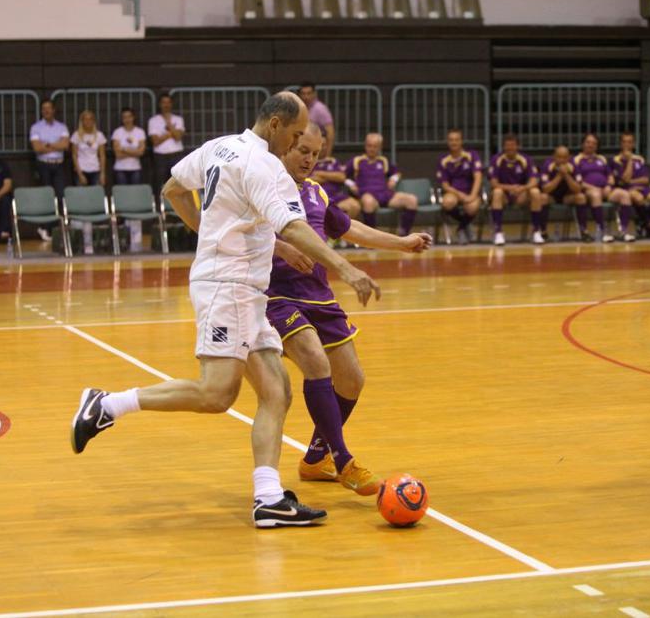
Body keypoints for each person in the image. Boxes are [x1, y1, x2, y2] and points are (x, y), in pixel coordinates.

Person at [69, 92, 381, 528]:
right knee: (217, 394)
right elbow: (293, 227)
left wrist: (212, 235)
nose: (296, 145)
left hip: (244, 290)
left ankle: (268, 499)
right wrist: (346, 269)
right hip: (229, 288)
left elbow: (173, 189)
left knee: (276, 390)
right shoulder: (264, 165)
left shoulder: (219, 147)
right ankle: (107, 405)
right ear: (275, 125)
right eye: (295, 136)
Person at [267, 122, 431, 496]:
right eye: (303, 151)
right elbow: (240, 229)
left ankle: (315, 458)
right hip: (276, 295)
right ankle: (343, 460)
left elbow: (350, 228)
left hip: (319, 295)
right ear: (286, 145)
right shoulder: (264, 186)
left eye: (315, 153)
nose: (309, 159)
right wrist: (279, 248)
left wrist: (401, 243)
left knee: (352, 379)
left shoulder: (316, 192)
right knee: (315, 361)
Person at [345, 133, 418, 236]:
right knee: (368, 202)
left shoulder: (383, 161)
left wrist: (393, 179)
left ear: (380, 147)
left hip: (385, 194)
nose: (371, 149)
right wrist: (351, 184)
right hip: (368, 195)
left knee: (412, 200)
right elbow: (342, 175)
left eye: (375, 146)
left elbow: (397, 173)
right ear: (365, 146)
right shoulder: (357, 161)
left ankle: (403, 234)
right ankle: (372, 237)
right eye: (369, 146)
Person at [610, 131, 650, 242]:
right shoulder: (615, 160)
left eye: (630, 142)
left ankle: (642, 220)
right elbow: (624, 180)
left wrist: (633, 182)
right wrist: (630, 160)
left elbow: (646, 179)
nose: (627, 145)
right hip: (627, 190)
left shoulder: (640, 159)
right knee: (638, 198)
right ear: (621, 144)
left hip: (642, 188)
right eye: (624, 142)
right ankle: (646, 224)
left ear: (633, 144)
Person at [488, 134, 543, 245]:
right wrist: (509, 187)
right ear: (503, 147)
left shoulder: (525, 159)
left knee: (535, 192)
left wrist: (523, 188)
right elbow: (493, 183)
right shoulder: (496, 159)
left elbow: (534, 180)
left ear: (518, 146)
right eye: (507, 145)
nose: (510, 148)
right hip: (504, 195)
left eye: (513, 145)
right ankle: (498, 232)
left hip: (520, 194)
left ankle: (536, 231)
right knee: (497, 192)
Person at [30, 99, 70, 241]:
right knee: (47, 197)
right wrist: (55, 145)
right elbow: (37, 148)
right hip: (43, 165)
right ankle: (45, 228)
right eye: (44, 108)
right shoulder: (36, 127)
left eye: (49, 108)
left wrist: (47, 145)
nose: (46, 111)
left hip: (59, 164)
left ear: (54, 110)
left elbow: (65, 145)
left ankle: (58, 228)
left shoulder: (62, 127)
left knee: (60, 195)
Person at [435, 129, 482, 244]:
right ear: (448, 142)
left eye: (456, 140)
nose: (454, 142)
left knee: (472, 207)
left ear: (461, 141)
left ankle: (461, 228)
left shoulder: (472, 155)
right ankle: (465, 224)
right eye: (451, 140)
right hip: (453, 192)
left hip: (470, 191)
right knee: (447, 203)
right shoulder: (443, 160)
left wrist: (472, 195)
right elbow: (445, 185)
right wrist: (459, 194)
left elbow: (478, 177)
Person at [572, 133, 619, 243]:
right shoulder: (576, 160)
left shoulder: (601, 159)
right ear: (582, 144)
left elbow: (610, 176)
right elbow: (578, 181)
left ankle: (624, 231)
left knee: (624, 195)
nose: (591, 145)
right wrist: (593, 188)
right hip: (587, 191)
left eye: (594, 143)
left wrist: (608, 186)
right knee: (596, 194)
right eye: (588, 142)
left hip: (605, 190)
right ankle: (602, 230)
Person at [310, 129, 358, 219]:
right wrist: (332, 177)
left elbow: (342, 177)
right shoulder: (310, 161)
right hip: (317, 198)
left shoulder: (333, 161)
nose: (323, 147)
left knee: (355, 206)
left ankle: (343, 228)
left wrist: (321, 174)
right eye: (321, 145)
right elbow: (310, 180)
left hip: (336, 197)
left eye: (325, 145)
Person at [539, 146, 585, 238]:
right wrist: (559, 175)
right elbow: (545, 189)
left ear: (569, 157)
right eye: (559, 157)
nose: (562, 160)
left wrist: (566, 175)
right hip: (551, 197)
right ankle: (543, 231)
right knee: (543, 197)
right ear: (554, 156)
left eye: (565, 157)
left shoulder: (573, 166)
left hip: (566, 197)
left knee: (581, 197)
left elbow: (578, 189)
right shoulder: (547, 165)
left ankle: (583, 231)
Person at [148, 93, 185, 197]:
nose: (166, 105)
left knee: (177, 181)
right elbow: (155, 141)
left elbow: (178, 137)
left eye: (168, 102)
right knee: (159, 182)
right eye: (164, 103)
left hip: (176, 154)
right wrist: (170, 134)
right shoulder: (153, 120)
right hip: (160, 155)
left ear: (171, 104)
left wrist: (169, 125)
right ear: (160, 104)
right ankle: (158, 204)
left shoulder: (178, 119)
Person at [70, 110, 107, 188]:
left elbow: (102, 156)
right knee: (81, 194)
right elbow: (74, 155)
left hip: (95, 170)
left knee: (96, 194)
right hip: (81, 169)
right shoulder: (76, 135)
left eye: (90, 119)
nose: (88, 121)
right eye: (85, 119)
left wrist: (102, 174)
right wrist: (80, 174)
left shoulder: (99, 135)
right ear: (82, 121)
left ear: (94, 121)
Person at [299, 81, 336, 157]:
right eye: (303, 93)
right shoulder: (299, 108)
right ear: (299, 94)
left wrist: (327, 155)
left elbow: (330, 133)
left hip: (316, 149)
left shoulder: (320, 109)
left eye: (309, 93)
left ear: (314, 94)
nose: (306, 96)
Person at [111, 107, 147, 185]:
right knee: (121, 191)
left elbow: (141, 152)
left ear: (133, 117)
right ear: (122, 119)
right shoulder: (117, 132)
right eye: (124, 117)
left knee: (135, 191)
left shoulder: (140, 132)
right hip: (120, 169)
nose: (127, 119)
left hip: (135, 168)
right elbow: (118, 154)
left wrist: (123, 149)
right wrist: (135, 152)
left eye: (129, 117)